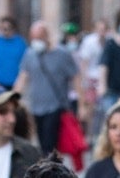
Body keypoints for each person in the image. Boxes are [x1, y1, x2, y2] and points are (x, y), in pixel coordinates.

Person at [16, 21, 80, 158]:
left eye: (39, 37)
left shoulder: (62, 54)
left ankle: (51, 170)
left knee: (50, 143)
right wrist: (14, 97)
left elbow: (75, 77)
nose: (36, 41)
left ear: (46, 36)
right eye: (33, 38)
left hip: (56, 106)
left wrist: (82, 103)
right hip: (36, 107)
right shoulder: (29, 54)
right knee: (42, 142)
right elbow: (23, 77)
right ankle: (49, 168)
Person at [0, 15, 28, 91]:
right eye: (2, 28)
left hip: (15, 84)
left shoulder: (21, 43)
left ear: (13, 28)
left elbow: (26, 63)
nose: (5, 30)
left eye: (7, 28)